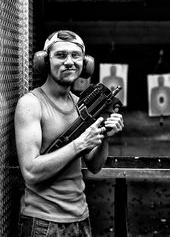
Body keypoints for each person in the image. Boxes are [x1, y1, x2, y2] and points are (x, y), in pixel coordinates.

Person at [14, 30, 124, 237]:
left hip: (80, 218)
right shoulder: (31, 104)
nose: (69, 62)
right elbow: (30, 172)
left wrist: (104, 138)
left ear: (86, 64)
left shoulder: (80, 104)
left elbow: (95, 165)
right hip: (44, 223)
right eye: (61, 55)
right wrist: (80, 144)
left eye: (76, 55)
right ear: (45, 62)